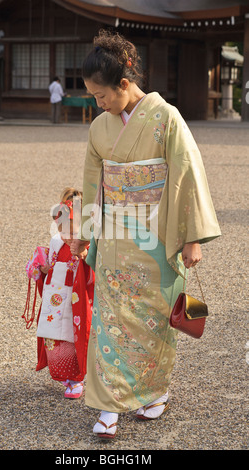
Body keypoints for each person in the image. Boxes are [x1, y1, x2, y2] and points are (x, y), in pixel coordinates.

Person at [71, 30, 221, 438]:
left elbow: (187, 172)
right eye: (93, 97)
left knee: (154, 322)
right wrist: (84, 234)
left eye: (102, 96)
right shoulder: (100, 128)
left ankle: (154, 394)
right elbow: (93, 180)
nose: (98, 104)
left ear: (125, 83)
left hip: (157, 238)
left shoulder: (166, 117)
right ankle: (108, 406)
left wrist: (191, 238)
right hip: (116, 240)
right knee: (109, 322)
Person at [36, 187, 94, 399]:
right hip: (55, 296)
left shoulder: (85, 241)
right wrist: (41, 270)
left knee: (73, 335)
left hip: (74, 297)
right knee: (53, 337)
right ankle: (62, 375)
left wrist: (84, 252)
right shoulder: (55, 241)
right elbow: (50, 266)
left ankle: (77, 379)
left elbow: (92, 266)